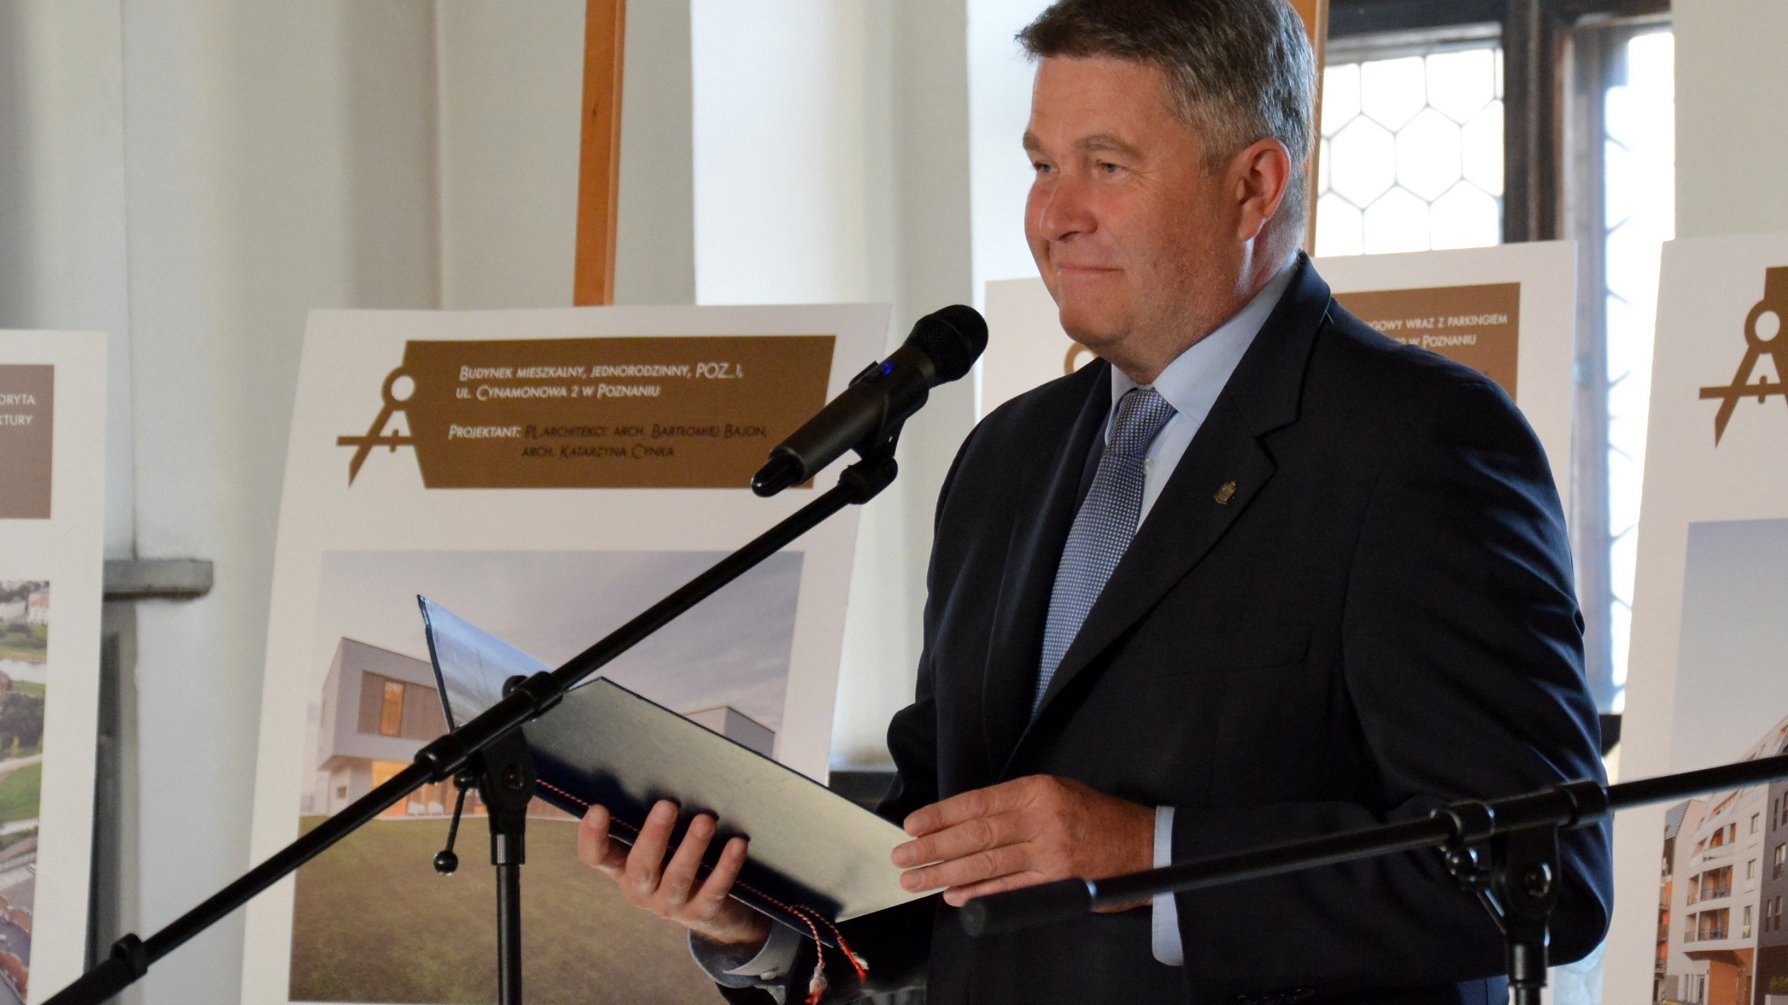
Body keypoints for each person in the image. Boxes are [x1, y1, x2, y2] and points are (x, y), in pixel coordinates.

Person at [578, 1, 1614, 1001]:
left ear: (1254, 186)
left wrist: (1148, 855)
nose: (1053, 215)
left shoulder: (1418, 443)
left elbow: (1545, 870)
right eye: (1042, 166)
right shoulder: (1004, 459)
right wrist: (754, 920)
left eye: (1107, 167)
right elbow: (944, 860)